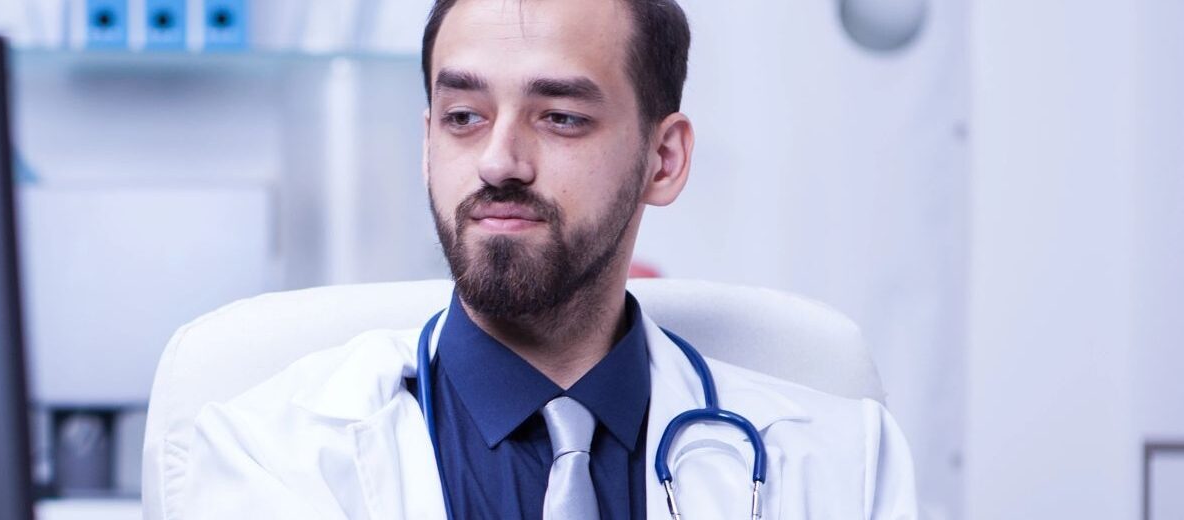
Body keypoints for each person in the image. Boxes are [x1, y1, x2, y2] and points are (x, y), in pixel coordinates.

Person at [158, 0, 919, 518]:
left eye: (559, 117)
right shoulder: (264, 456)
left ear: (663, 159)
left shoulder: (840, 464)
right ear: (428, 145)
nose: (498, 160)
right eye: (463, 117)